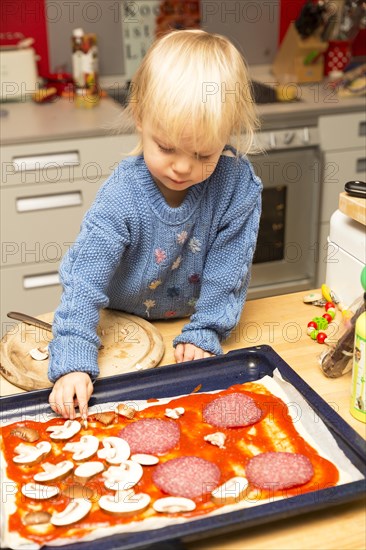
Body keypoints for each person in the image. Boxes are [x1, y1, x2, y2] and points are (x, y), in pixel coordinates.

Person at [48, 29, 262, 421]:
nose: (183, 167)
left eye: (203, 153)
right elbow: (85, 282)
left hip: (185, 323)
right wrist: (74, 355)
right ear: (140, 117)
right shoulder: (122, 194)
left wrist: (206, 330)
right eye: (166, 148)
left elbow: (228, 271)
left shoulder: (237, 186)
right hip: (115, 326)